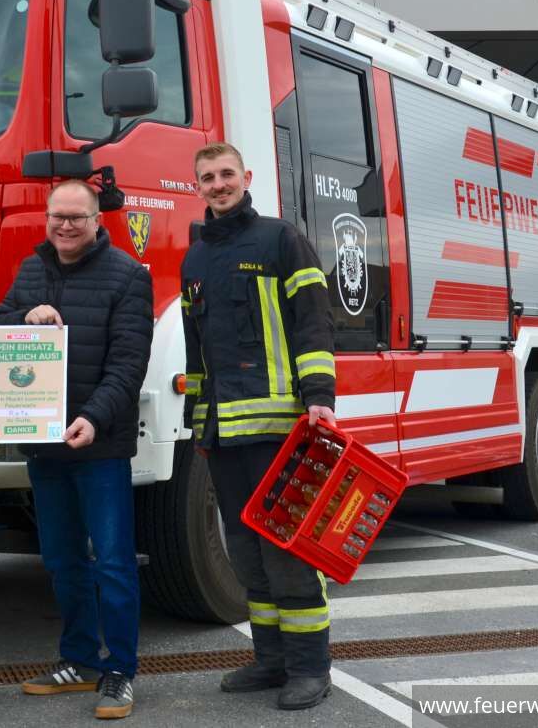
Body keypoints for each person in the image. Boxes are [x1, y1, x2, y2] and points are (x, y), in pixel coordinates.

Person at [0, 179, 153, 720]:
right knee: (61, 560)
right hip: (44, 444)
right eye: (57, 216)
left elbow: (129, 364)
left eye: (77, 218)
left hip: (98, 444)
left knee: (111, 563)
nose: (65, 226)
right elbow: (1, 324)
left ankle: (120, 672)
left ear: (97, 221)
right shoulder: (33, 269)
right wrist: (18, 319)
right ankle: (79, 660)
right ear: (47, 217)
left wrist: (92, 417)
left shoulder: (129, 276)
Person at [181, 143, 337, 711]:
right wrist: (198, 425)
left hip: (281, 429)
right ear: (196, 187)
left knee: (289, 549)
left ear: (246, 178)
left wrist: (319, 397)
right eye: (207, 178)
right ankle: (271, 660)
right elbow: (198, 353)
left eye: (226, 175)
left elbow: (313, 322)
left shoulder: (280, 239)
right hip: (224, 435)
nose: (218, 185)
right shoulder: (194, 259)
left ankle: (309, 668)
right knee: (245, 551)